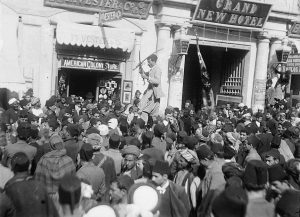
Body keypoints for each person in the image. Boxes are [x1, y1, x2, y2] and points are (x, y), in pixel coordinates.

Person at [138, 54, 164, 124]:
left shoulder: (157, 69)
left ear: (153, 61)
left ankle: (144, 127)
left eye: (149, 62)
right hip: (150, 93)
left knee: (145, 111)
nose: (148, 64)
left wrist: (147, 77)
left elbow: (157, 81)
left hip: (154, 94)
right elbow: (144, 74)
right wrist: (141, 68)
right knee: (148, 113)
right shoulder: (152, 70)